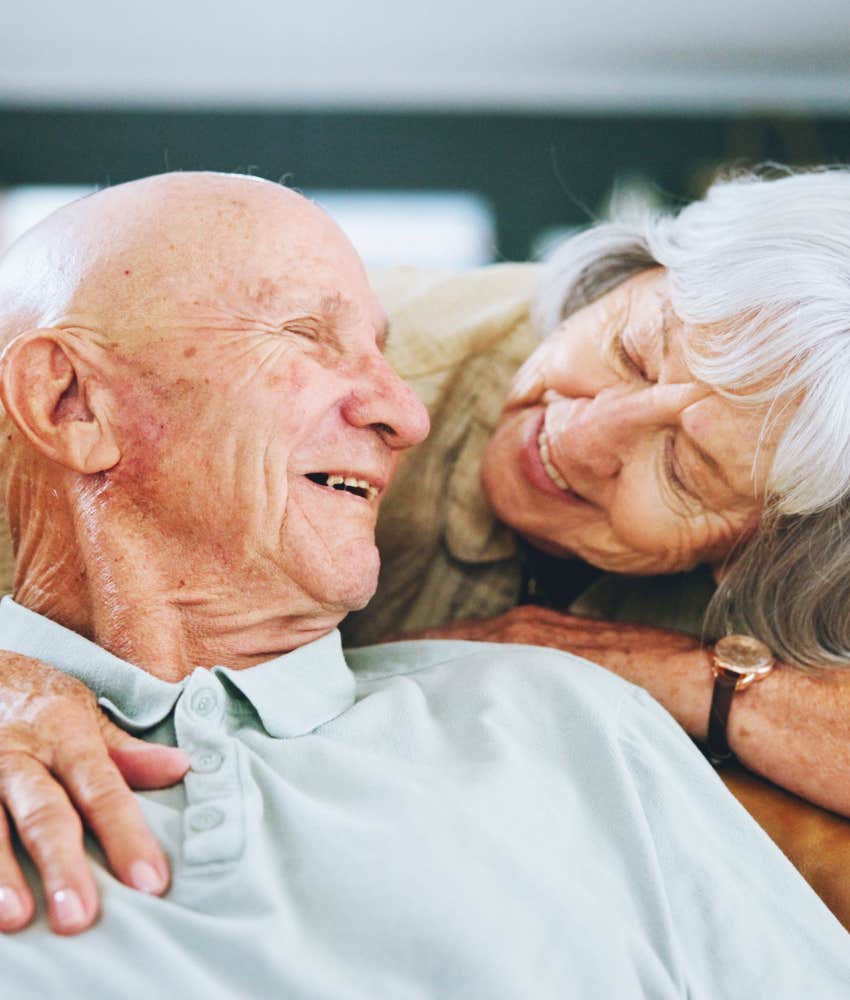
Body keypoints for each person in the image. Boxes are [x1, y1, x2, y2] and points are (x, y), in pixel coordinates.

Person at [0, 172, 846, 997]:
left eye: (683, 470)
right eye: (629, 350)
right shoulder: (369, 326)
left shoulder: (589, 718)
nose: (578, 435)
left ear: (749, 555)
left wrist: (676, 677)